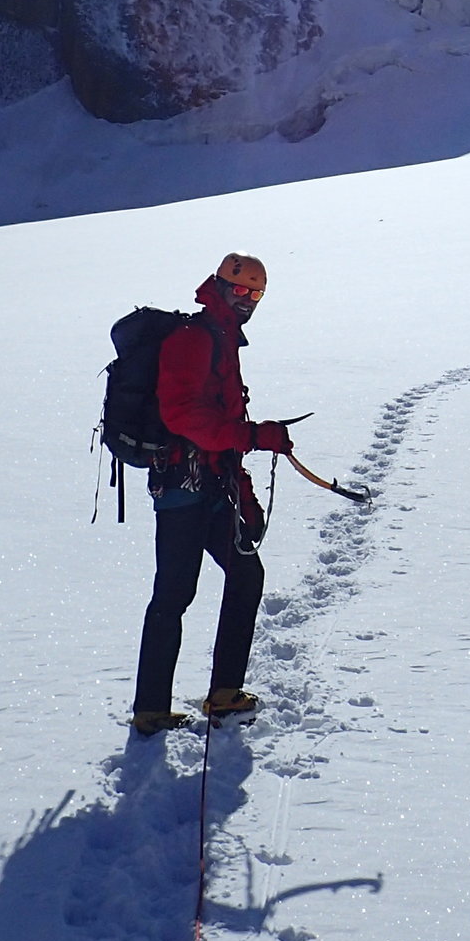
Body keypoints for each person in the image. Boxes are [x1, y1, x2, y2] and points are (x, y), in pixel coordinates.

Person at [130, 252, 297, 735]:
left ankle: (223, 692)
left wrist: (245, 495)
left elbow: (226, 426)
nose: (247, 300)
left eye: (256, 293)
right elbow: (186, 419)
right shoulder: (193, 339)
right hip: (182, 486)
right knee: (175, 592)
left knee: (245, 573)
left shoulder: (222, 339)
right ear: (220, 285)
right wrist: (254, 437)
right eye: (240, 289)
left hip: (211, 482)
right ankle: (151, 710)